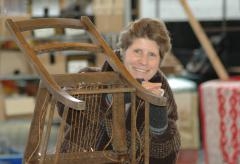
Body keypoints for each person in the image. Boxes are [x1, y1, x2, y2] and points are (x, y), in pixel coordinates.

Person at [58, 17, 181, 164]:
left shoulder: (161, 91)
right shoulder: (90, 77)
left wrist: (157, 111)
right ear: (123, 51)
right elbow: (68, 108)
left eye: (152, 55)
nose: (144, 61)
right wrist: (124, 95)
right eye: (137, 51)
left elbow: (166, 157)